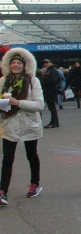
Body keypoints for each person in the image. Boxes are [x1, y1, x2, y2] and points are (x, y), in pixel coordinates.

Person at [0, 47, 44, 204]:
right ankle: (2, 191)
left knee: (31, 154)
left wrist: (17, 102)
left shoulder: (33, 81)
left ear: (25, 65)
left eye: (19, 62)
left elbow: (39, 105)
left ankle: (35, 184)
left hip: (29, 123)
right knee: (7, 158)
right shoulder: (3, 81)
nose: (16, 65)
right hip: (9, 124)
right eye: (13, 63)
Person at [40, 58, 62, 128]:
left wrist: (44, 79)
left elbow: (53, 81)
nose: (45, 64)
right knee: (51, 107)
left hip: (51, 91)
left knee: (52, 107)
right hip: (49, 91)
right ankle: (54, 122)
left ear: (51, 63)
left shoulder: (52, 71)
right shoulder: (48, 70)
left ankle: (54, 122)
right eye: (44, 63)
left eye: (47, 63)